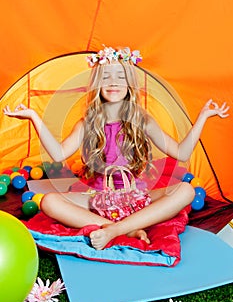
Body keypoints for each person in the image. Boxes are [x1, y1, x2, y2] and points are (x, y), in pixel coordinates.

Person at [3, 46, 230, 250]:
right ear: (97, 84)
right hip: (97, 198)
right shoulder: (87, 123)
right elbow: (58, 154)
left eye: (120, 77)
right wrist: (34, 116)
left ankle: (114, 230)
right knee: (49, 201)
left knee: (186, 191)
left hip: (136, 196)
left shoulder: (143, 120)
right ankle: (126, 228)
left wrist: (202, 117)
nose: (113, 83)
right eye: (107, 77)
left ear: (130, 84)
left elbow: (181, 153)